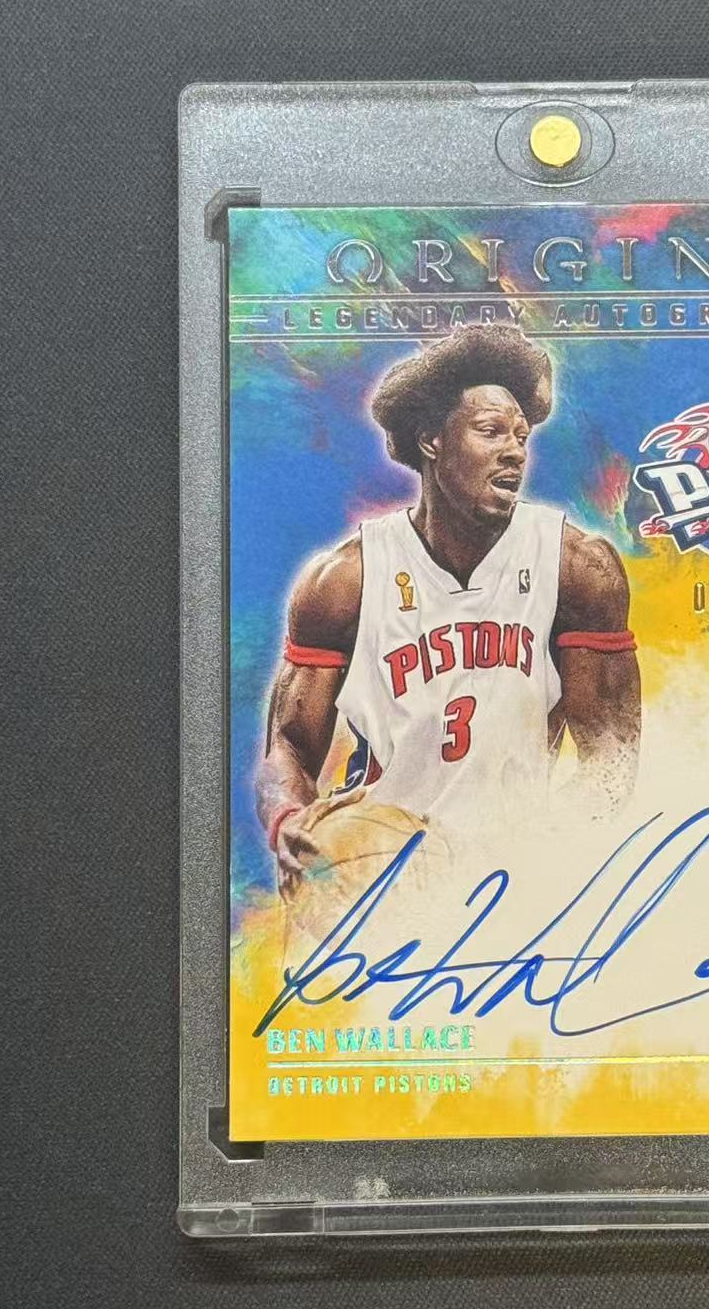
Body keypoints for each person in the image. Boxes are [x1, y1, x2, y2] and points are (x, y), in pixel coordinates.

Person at [256, 323, 641, 896]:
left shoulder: (578, 569)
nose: (514, 450)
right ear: (432, 439)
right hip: (382, 869)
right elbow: (288, 746)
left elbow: (611, 760)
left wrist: (552, 864)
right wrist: (290, 819)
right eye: (490, 431)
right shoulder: (343, 581)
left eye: (521, 436)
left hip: (511, 877)